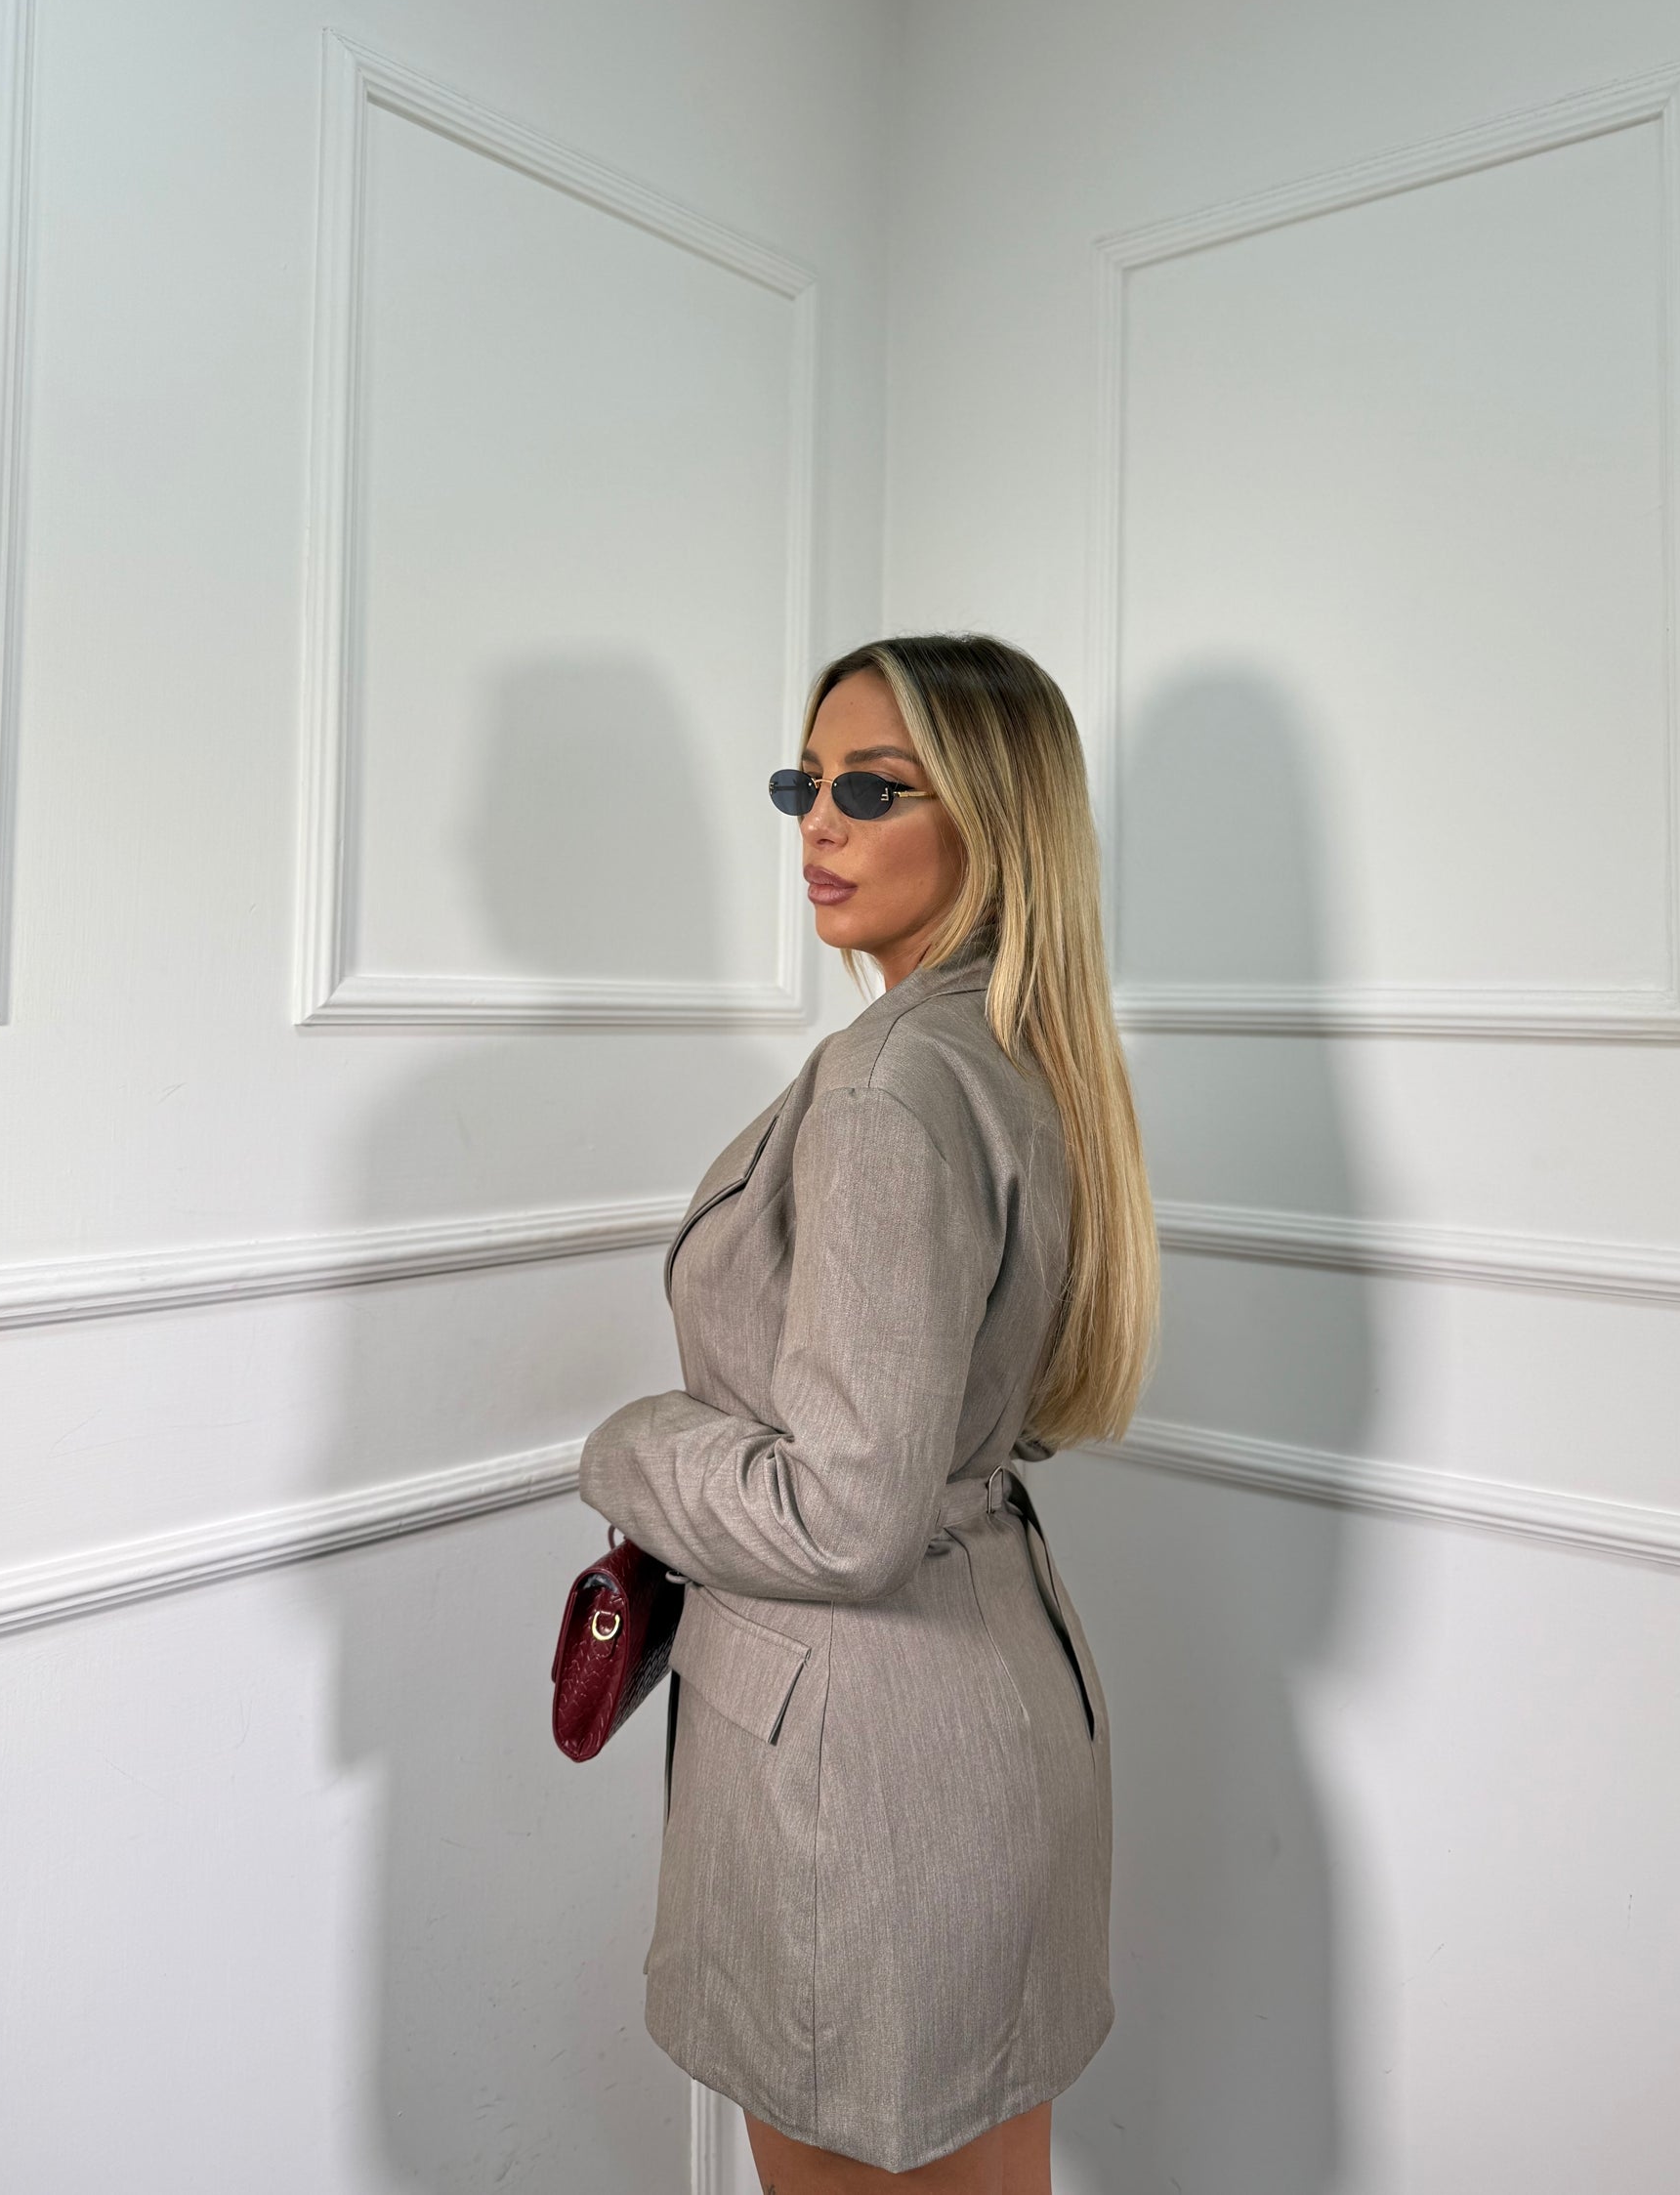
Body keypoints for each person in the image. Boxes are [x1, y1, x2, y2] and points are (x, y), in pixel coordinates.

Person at [577, 632, 1159, 2191]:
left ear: (994, 817)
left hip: (861, 1771)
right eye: (804, 786)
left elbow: (843, 1519)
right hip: (988, 1708)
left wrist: (626, 1448)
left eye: (872, 789)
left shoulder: (890, 1083)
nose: (819, 826)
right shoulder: (1004, 1052)